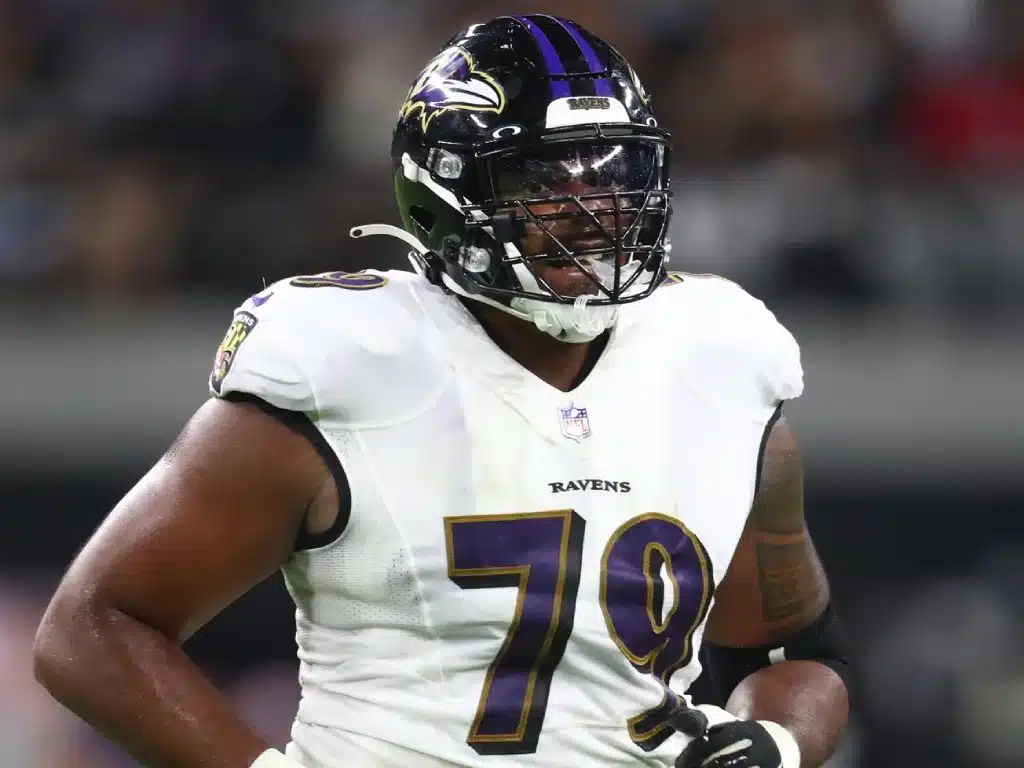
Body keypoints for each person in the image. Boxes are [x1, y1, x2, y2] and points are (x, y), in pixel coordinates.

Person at [33, 14, 850, 768]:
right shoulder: (348, 363)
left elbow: (798, 655)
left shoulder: (719, 359)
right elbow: (92, 629)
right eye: (543, 179)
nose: (592, 206)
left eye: (614, 170)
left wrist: (775, 742)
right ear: (448, 192)